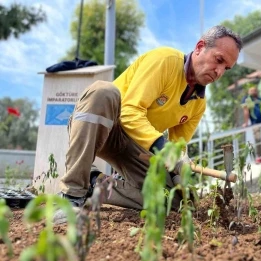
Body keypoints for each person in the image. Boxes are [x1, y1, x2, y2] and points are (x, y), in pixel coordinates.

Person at [54, 25, 242, 224]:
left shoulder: (198, 105)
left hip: (136, 146)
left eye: (226, 68)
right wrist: (163, 149)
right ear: (200, 47)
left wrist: (180, 179)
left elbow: (177, 147)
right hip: (104, 124)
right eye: (219, 60)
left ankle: (95, 184)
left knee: (174, 201)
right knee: (103, 91)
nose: (219, 71)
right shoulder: (165, 61)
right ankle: (72, 194)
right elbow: (128, 112)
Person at [241, 86, 261, 164]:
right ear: (248, 91)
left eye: (255, 90)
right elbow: (246, 110)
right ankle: (259, 157)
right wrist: (246, 123)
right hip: (255, 123)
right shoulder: (247, 99)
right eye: (252, 90)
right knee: (258, 139)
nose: (254, 92)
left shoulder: (260, 99)